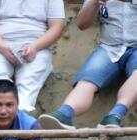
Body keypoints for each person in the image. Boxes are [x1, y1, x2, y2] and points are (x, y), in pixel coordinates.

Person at [40, 0, 137, 129]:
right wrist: (94, 2)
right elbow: (82, 24)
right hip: (109, 47)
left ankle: (115, 115)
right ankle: (65, 113)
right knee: (88, 79)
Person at [0, 0, 65, 113]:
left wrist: (35, 47)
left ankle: (21, 113)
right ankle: (0, 106)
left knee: (29, 83)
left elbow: (57, 27)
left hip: (37, 48)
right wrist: (2, 47)